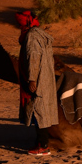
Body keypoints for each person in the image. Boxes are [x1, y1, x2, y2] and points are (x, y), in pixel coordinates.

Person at [16, 10, 57, 155]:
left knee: (38, 111)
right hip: (45, 78)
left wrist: (32, 78)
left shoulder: (32, 36)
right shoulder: (40, 34)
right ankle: (40, 143)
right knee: (42, 111)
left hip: (38, 79)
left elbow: (33, 57)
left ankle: (43, 146)